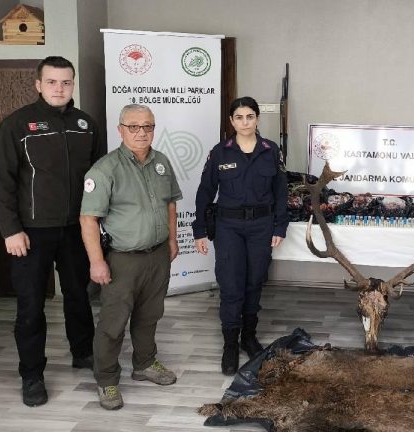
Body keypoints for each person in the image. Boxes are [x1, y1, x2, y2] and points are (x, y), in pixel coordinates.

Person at [0, 56, 104, 407]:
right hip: (31, 234)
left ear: (73, 85)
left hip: (77, 230)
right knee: (30, 306)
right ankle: (32, 374)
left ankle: (83, 353)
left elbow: (99, 178)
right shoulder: (17, 125)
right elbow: (1, 183)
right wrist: (10, 230)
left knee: (78, 297)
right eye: (52, 82)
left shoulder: (86, 124)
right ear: (38, 84)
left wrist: (97, 221)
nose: (59, 88)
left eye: (66, 82)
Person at [79, 104, 182, 410]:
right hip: (121, 260)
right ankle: (107, 381)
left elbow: (170, 205)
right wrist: (97, 262)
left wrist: (173, 240)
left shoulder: (161, 161)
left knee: (149, 315)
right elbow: (88, 219)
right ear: (120, 129)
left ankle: (145, 363)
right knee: (113, 323)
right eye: (134, 126)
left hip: (158, 254)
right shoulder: (104, 170)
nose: (142, 133)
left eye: (148, 126)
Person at [193, 96, 288, 375]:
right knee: (232, 285)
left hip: (261, 226)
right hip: (229, 227)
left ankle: (249, 336)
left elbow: (281, 192)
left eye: (250, 116)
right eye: (239, 117)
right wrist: (199, 230)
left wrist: (279, 227)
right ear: (231, 121)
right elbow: (205, 192)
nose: (245, 122)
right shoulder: (220, 152)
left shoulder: (271, 151)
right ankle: (230, 345)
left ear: (257, 119)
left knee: (254, 282)